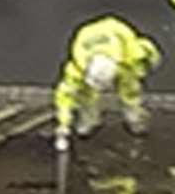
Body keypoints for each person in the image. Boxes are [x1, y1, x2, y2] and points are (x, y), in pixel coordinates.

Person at [52, 14, 162, 150]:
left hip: (121, 54)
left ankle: (135, 117)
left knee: (130, 88)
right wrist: (63, 123)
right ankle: (89, 119)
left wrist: (146, 67)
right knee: (85, 94)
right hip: (96, 44)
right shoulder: (78, 67)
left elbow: (148, 49)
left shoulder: (130, 53)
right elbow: (65, 95)